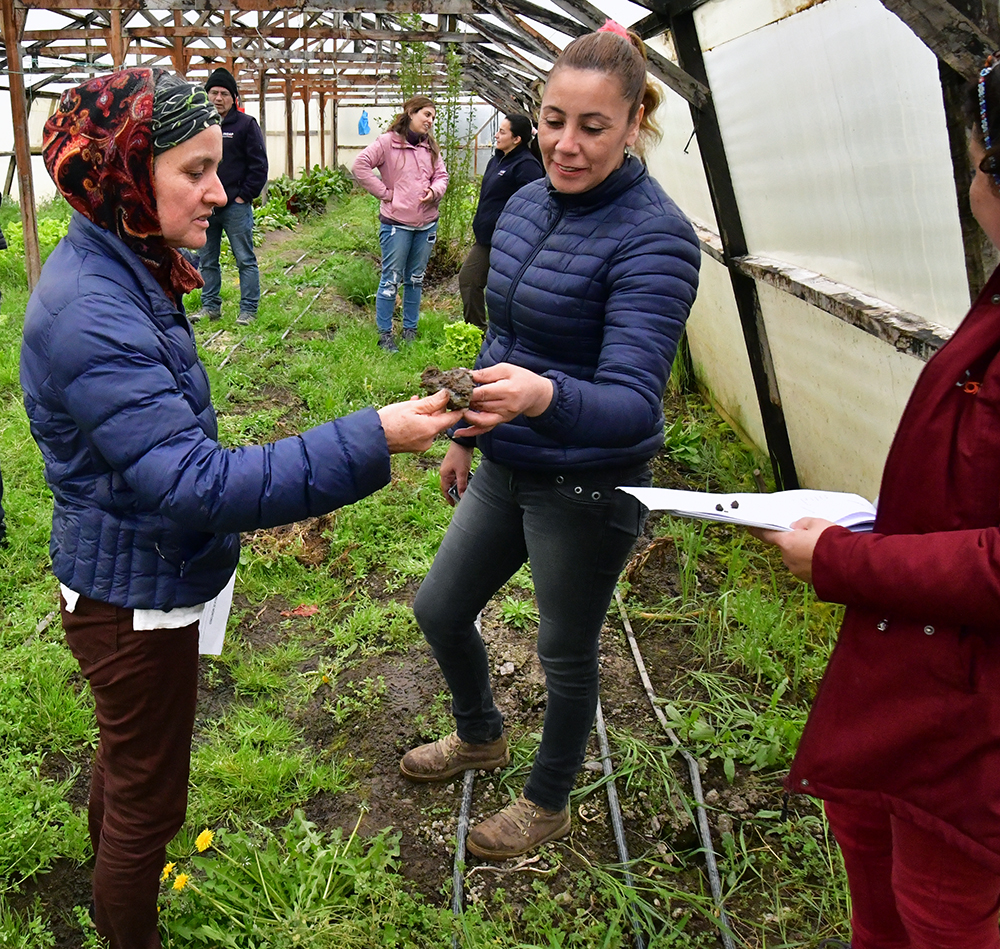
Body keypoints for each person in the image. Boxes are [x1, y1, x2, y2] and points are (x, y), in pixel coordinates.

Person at [21, 68, 461, 949]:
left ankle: (110, 869)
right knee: (151, 800)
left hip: (137, 568)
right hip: (130, 598)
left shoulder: (123, 263)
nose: (219, 192)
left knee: (129, 758)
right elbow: (199, 484)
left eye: (218, 167)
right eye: (195, 170)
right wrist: (374, 435)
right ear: (124, 173)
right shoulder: (93, 311)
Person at [400, 22, 701, 860]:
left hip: (588, 484)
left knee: (565, 646)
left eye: (592, 126)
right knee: (439, 607)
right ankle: (480, 735)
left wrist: (542, 396)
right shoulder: (531, 199)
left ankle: (548, 799)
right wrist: (466, 430)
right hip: (510, 458)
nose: (566, 144)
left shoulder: (656, 237)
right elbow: (503, 334)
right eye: (552, 119)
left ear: (633, 123)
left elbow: (634, 405)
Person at [751, 52, 1000, 949]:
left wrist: (845, 557)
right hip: (911, 659)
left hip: (968, 696)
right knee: (870, 846)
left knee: (941, 898)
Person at [352, 96, 448, 352]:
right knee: (391, 279)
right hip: (397, 224)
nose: (430, 121)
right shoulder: (388, 142)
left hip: (426, 223)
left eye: (432, 117)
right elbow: (360, 165)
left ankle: (410, 330)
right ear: (411, 112)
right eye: (426, 114)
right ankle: (385, 334)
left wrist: (435, 191)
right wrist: (387, 194)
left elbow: (442, 176)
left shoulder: (430, 147)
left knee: (415, 279)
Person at [190, 66, 268, 325]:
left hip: (235, 206)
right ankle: (210, 307)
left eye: (224, 93)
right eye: (213, 92)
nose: (218, 98)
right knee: (207, 259)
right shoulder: (198, 126)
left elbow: (259, 165)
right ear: (207, 95)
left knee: (244, 258)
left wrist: (243, 196)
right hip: (206, 206)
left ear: (233, 97)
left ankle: (249, 310)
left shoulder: (245, 125)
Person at [459, 114, 543, 329]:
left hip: (509, 240)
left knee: (485, 284)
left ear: (517, 139)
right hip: (486, 237)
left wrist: (509, 227)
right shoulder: (497, 159)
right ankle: (477, 332)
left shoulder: (527, 166)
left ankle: (492, 332)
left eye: (503, 132)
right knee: (471, 281)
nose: (496, 135)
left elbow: (535, 206)